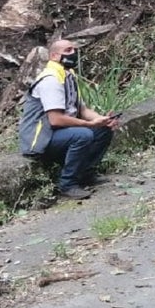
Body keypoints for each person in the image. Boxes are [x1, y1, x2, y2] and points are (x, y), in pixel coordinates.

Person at [19, 39, 120, 200]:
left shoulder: (68, 76)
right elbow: (56, 120)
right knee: (83, 134)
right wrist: (88, 124)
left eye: (74, 49)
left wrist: (102, 120)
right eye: (68, 50)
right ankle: (67, 184)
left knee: (103, 130)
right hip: (40, 139)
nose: (73, 53)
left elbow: (82, 110)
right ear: (54, 56)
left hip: (59, 133)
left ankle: (85, 173)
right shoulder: (51, 80)